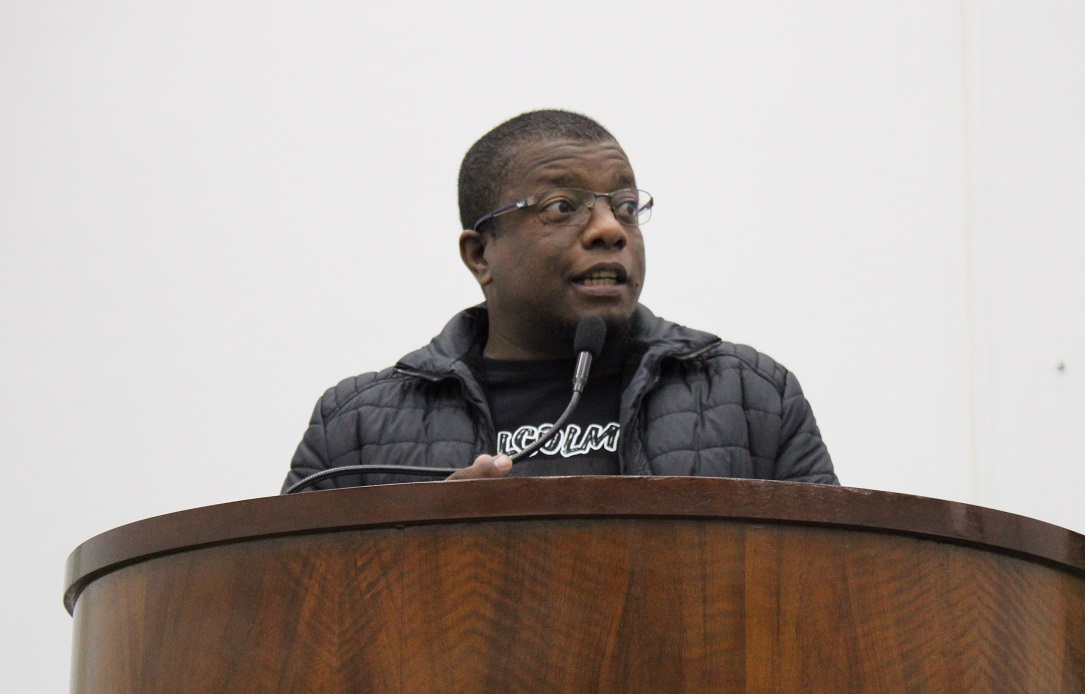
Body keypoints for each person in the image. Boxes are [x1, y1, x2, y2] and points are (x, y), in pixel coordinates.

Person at [283, 110, 837, 491]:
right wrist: (434, 543)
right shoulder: (355, 429)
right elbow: (297, 616)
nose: (609, 229)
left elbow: (831, 592)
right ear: (480, 254)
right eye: (561, 207)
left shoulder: (751, 398)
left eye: (625, 206)